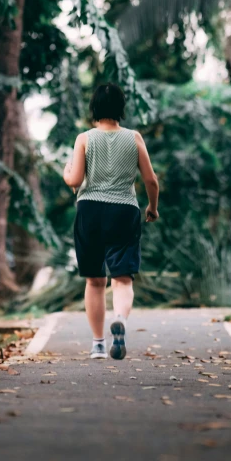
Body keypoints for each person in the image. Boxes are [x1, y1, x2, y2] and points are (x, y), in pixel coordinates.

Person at [63, 83, 159, 360]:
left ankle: (98, 345)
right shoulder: (134, 138)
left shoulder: (84, 138)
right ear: (121, 108)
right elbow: (151, 180)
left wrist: (65, 171)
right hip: (124, 211)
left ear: (94, 108)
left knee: (94, 281)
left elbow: (75, 180)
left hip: (90, 210)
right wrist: (152, 207)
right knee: (123, 279)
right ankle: (121, 319)